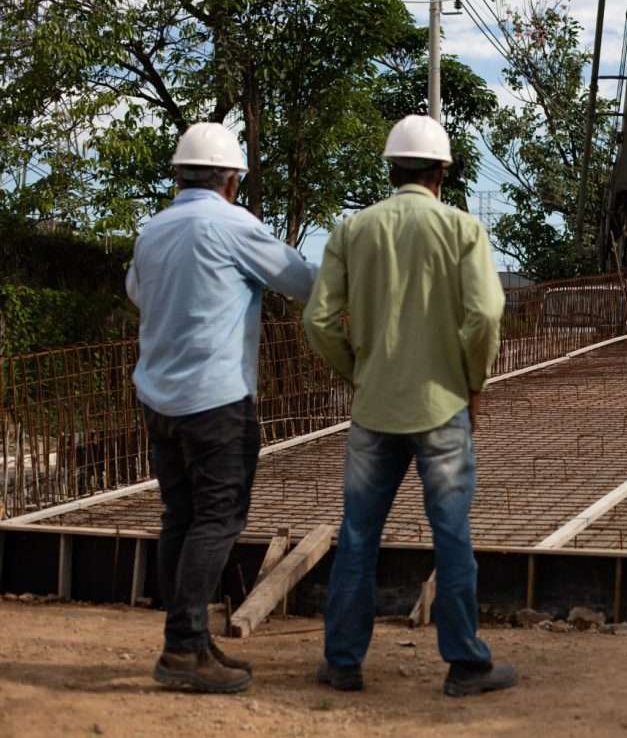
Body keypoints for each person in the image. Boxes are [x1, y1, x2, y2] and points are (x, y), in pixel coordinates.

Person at [303, 115, 517, 697]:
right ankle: (465, 663)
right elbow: (485, 315)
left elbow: (319, 320)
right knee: (450, 535)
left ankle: (343, 662)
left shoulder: (353, 229)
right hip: (443, 406)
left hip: (374, 410)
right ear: (443, 171)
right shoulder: (463, 230)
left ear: (391, 167)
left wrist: (359, 372)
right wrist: (472, 382)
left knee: (356, 538)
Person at [127, 122, 317, 694]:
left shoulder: (152, 232)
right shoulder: (235, 226)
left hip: (159, 400)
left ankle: (185, 638)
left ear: (180, 175)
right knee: (217, 519)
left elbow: (137, 291)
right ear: (232, 179)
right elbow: (304, 282)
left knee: (179, 520)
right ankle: (184, 650)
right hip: (216, 401)